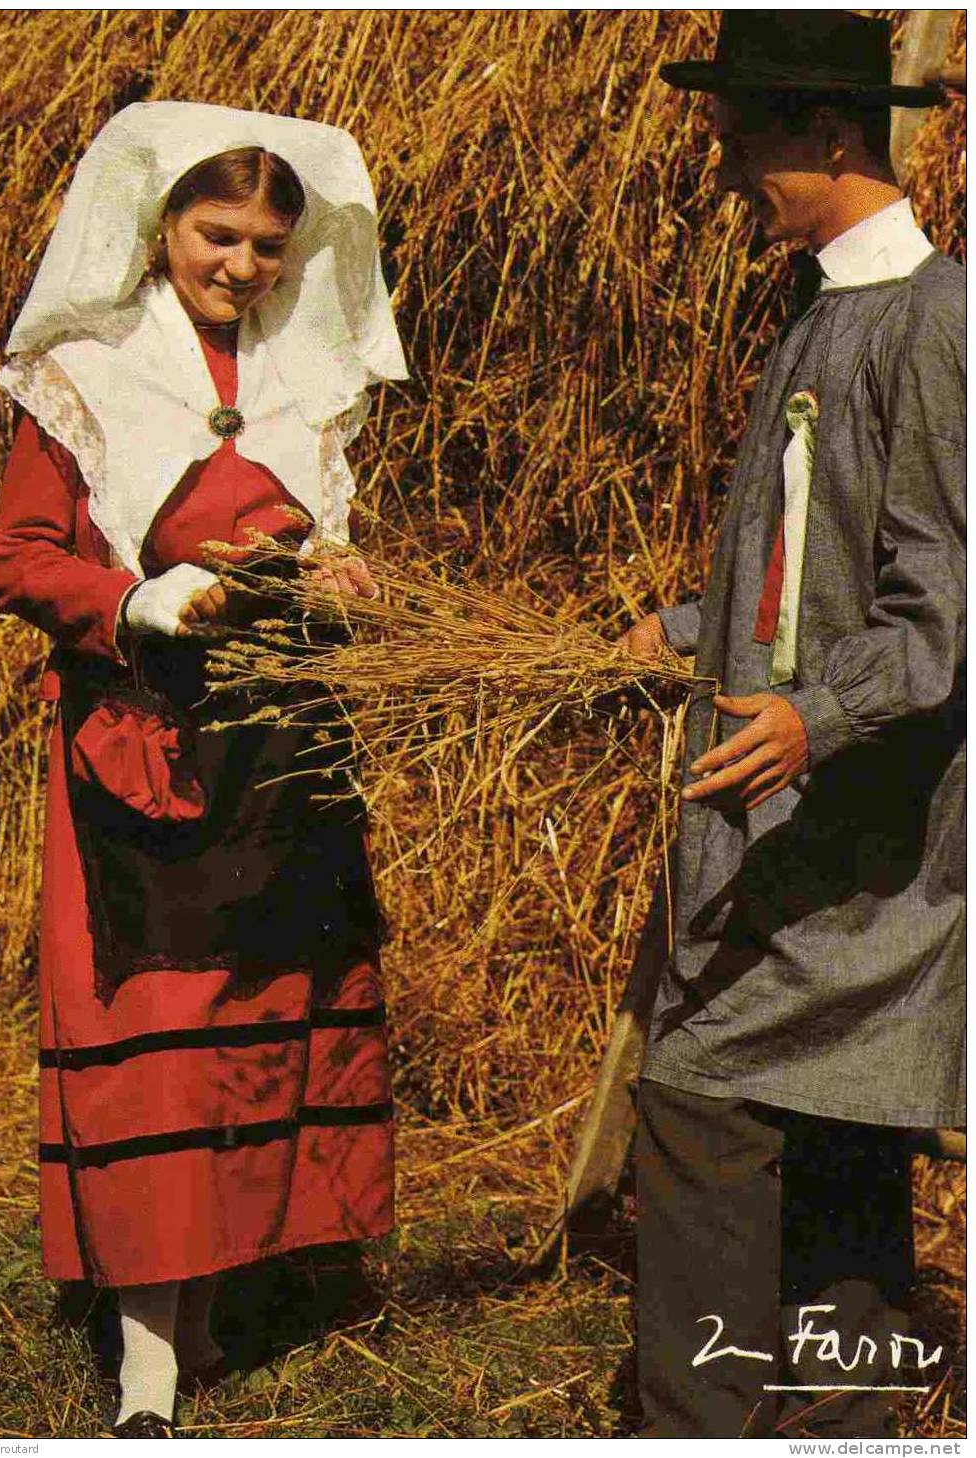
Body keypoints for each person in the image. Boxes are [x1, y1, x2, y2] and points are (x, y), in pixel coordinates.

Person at [0, 101, 408, 1438]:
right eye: (218, 234)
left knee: (254, 1030)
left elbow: (315, 539)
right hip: (141, 750)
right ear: (160, 225)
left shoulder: (302, 376)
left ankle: (218, 1300)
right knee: (158, 1045)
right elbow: (19, 554)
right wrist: (143, 599)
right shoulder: (88, 368)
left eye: (270, 244)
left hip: (277, 749)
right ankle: (148, 1364)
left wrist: (337, 573)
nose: (243, 264)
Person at [619, 11, 964, 1439]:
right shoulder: (821, 311)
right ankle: (838, 1412)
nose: (726, 179)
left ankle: (700, 1419)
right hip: (822, 827)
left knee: (697, 1093)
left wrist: (813, 720)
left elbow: (948, 604)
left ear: (824, 136)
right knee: (840, 1122)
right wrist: (695, 632)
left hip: (859, 831)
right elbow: (807, 565)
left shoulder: (936, 326)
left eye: (740, 146)